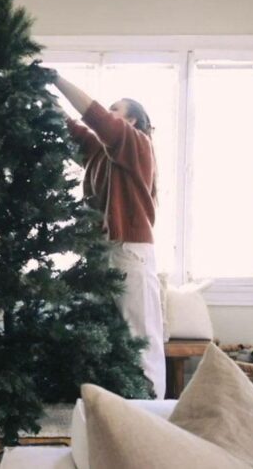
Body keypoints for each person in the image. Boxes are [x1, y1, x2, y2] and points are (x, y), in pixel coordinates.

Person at [51, 72, 165, 399]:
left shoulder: (136, 143)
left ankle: (153, 410)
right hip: (105, 250)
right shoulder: (102, 152)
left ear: (132, 121)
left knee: (140, 337)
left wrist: (57, 79)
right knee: (107, 334)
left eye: (116, 109)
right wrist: (41, 92)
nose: (108, 113)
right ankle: (113, 407)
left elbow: (94, 116)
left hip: (130, 250)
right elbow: (73, 128)